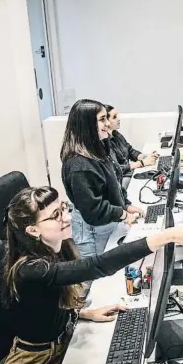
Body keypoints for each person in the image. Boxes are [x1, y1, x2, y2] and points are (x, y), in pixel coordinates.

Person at [1, 186, 183, 364]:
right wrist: (164, 237)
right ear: (33, 230)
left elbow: (41, 308)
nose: (67, 217)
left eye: (63, 208)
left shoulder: (56, 247)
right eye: (55, 216)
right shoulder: (31, 270)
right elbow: (96, 266)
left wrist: (82, 314)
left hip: (61, 343)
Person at [61, 99, 144, 259]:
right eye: (102, 119)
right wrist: (123, 214)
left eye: (107, 118)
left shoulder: (100, 147)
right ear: (86, 125)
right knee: (101, 279)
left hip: (108, 222)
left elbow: (113, 182)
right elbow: (93, 210)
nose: (107, 124)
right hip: (94, 228)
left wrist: (125, 205)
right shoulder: (78, 166)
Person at [105, 104, 159, 175]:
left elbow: (131, 151)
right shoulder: (104, 143)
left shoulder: (116, 134)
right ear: (106, 122)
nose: (118, 119)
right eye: (114, 117)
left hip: (129, 172)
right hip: (122, 177)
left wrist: (146, 157)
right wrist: (142, 163)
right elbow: (116, 169)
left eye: (117, 115)